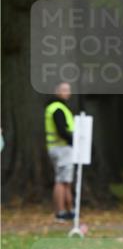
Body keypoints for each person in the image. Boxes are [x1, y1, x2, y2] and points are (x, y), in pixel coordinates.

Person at [44, 81, 75, 221]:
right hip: (62, 148)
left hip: (56, 148)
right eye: (64, 89)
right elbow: (62, 130)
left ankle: (69, 210)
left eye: (68, 89)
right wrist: (73, 141)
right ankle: (61, 211)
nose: (67, 92)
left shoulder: (55, 107)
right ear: (56, 91)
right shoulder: (58, 109)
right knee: (62, 180)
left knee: (65, 180)